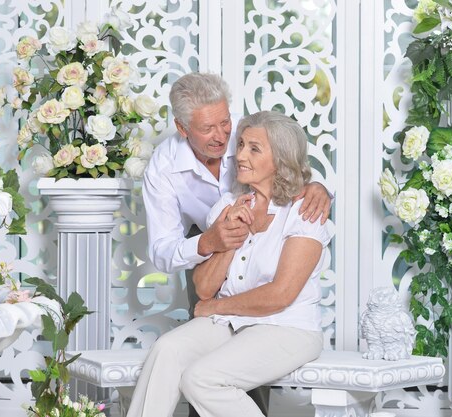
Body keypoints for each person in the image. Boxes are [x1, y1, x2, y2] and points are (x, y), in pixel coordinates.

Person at [141, 72, 332, 416]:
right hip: (224, 300)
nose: (233, 148)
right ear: (183, 129)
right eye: (239, 145)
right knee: (166, 350)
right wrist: (222, 238)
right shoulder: (170, 171)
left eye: (227, 126)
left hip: (283, 324)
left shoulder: (301, 211)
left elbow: (280, 295)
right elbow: (178, 264)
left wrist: (317, 185)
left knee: (202, 379)